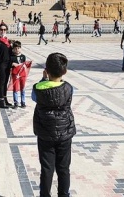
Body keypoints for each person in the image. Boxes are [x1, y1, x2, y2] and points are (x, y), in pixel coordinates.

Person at [32, 53, 76, 197]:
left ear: (47, 70)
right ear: (65, 71)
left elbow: (34, 98)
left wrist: (44, 79)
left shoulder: (38, 88)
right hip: (65, 134)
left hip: (45, 135)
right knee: (64, 169)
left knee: (47, 169)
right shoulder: (69, 88)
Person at [0, 23, 12, 109]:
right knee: (2, 81)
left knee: (6, 81)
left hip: (8, 64)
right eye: (1, 30)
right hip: (1, 64)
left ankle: (5, 98)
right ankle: (1, 100)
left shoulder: (8, 41)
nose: (3, 31)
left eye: (4, 30)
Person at [10, 41, 27, 108]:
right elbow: (9, 64)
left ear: (20, 48)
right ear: (13, 49)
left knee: (22, 88)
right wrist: (12, 64)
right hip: (15, 75)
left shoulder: (23, 57)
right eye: (15, 48)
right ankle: (16, 102)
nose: (17, 50)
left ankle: (23, 102)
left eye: (18, 48)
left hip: (22, 75)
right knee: (15, 88)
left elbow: (25, 65)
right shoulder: (12, 57)